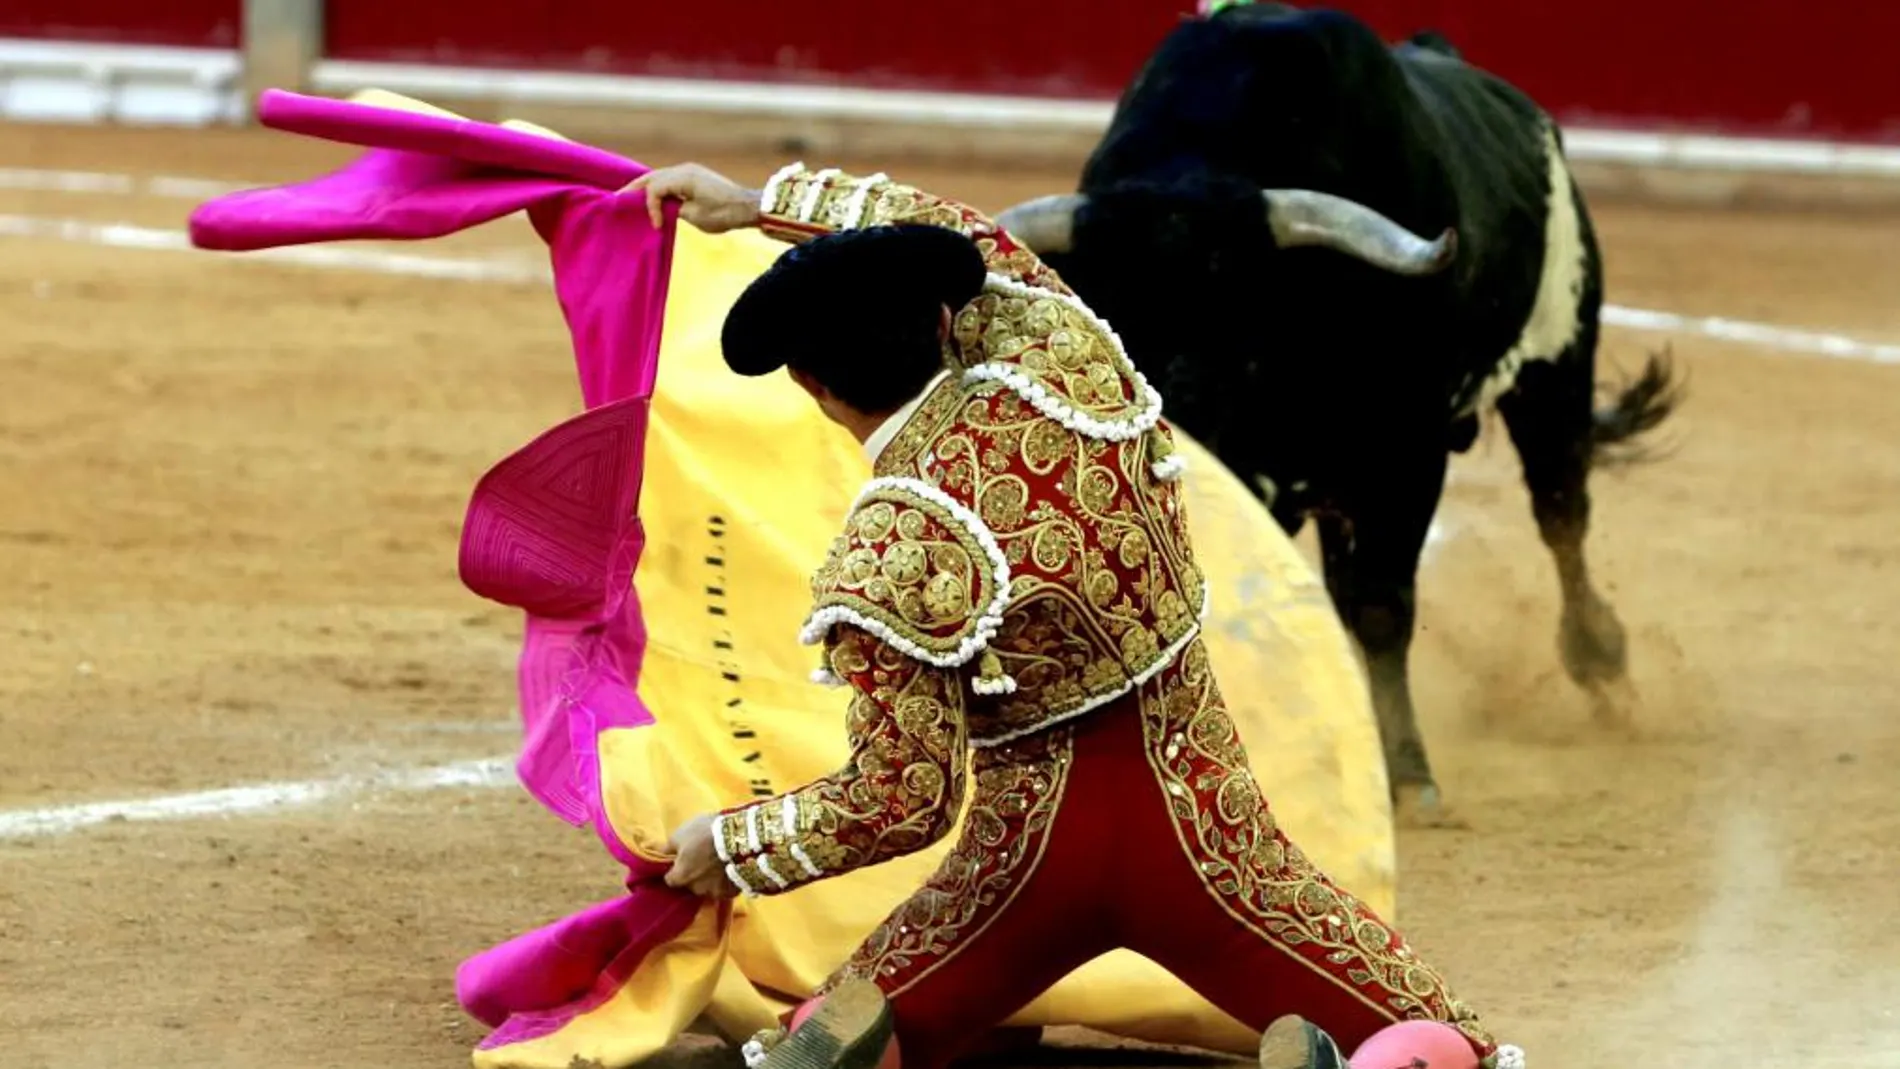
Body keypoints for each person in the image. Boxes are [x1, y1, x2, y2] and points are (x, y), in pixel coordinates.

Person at [621, 161, 1525, 1069]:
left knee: (835, 1039)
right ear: (945, 320)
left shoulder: (892, 547)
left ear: (811, 383)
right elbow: (968, 236)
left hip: (1021, 872)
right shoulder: (1066, 359)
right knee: (1460, 1048)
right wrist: (756, 204)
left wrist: (733, 843)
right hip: (1208, 823)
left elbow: (904, 799)